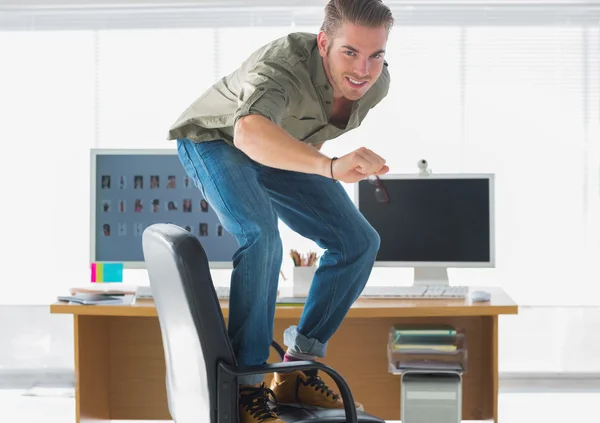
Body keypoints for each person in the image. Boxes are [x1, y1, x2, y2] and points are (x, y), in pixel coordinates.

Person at [167, 0, 393, 421]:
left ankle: (295, 368)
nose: (364, 69)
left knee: (358, 242)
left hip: (280, 147)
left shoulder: (376, 86)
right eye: (350, 52)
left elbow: (310, 131)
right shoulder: (282, 66)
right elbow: (250, 132)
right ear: (324, 43)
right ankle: (246, 387)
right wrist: (329, 169)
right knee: (262, 237)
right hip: (216, 140)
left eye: (375, 55)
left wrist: (322, 166)